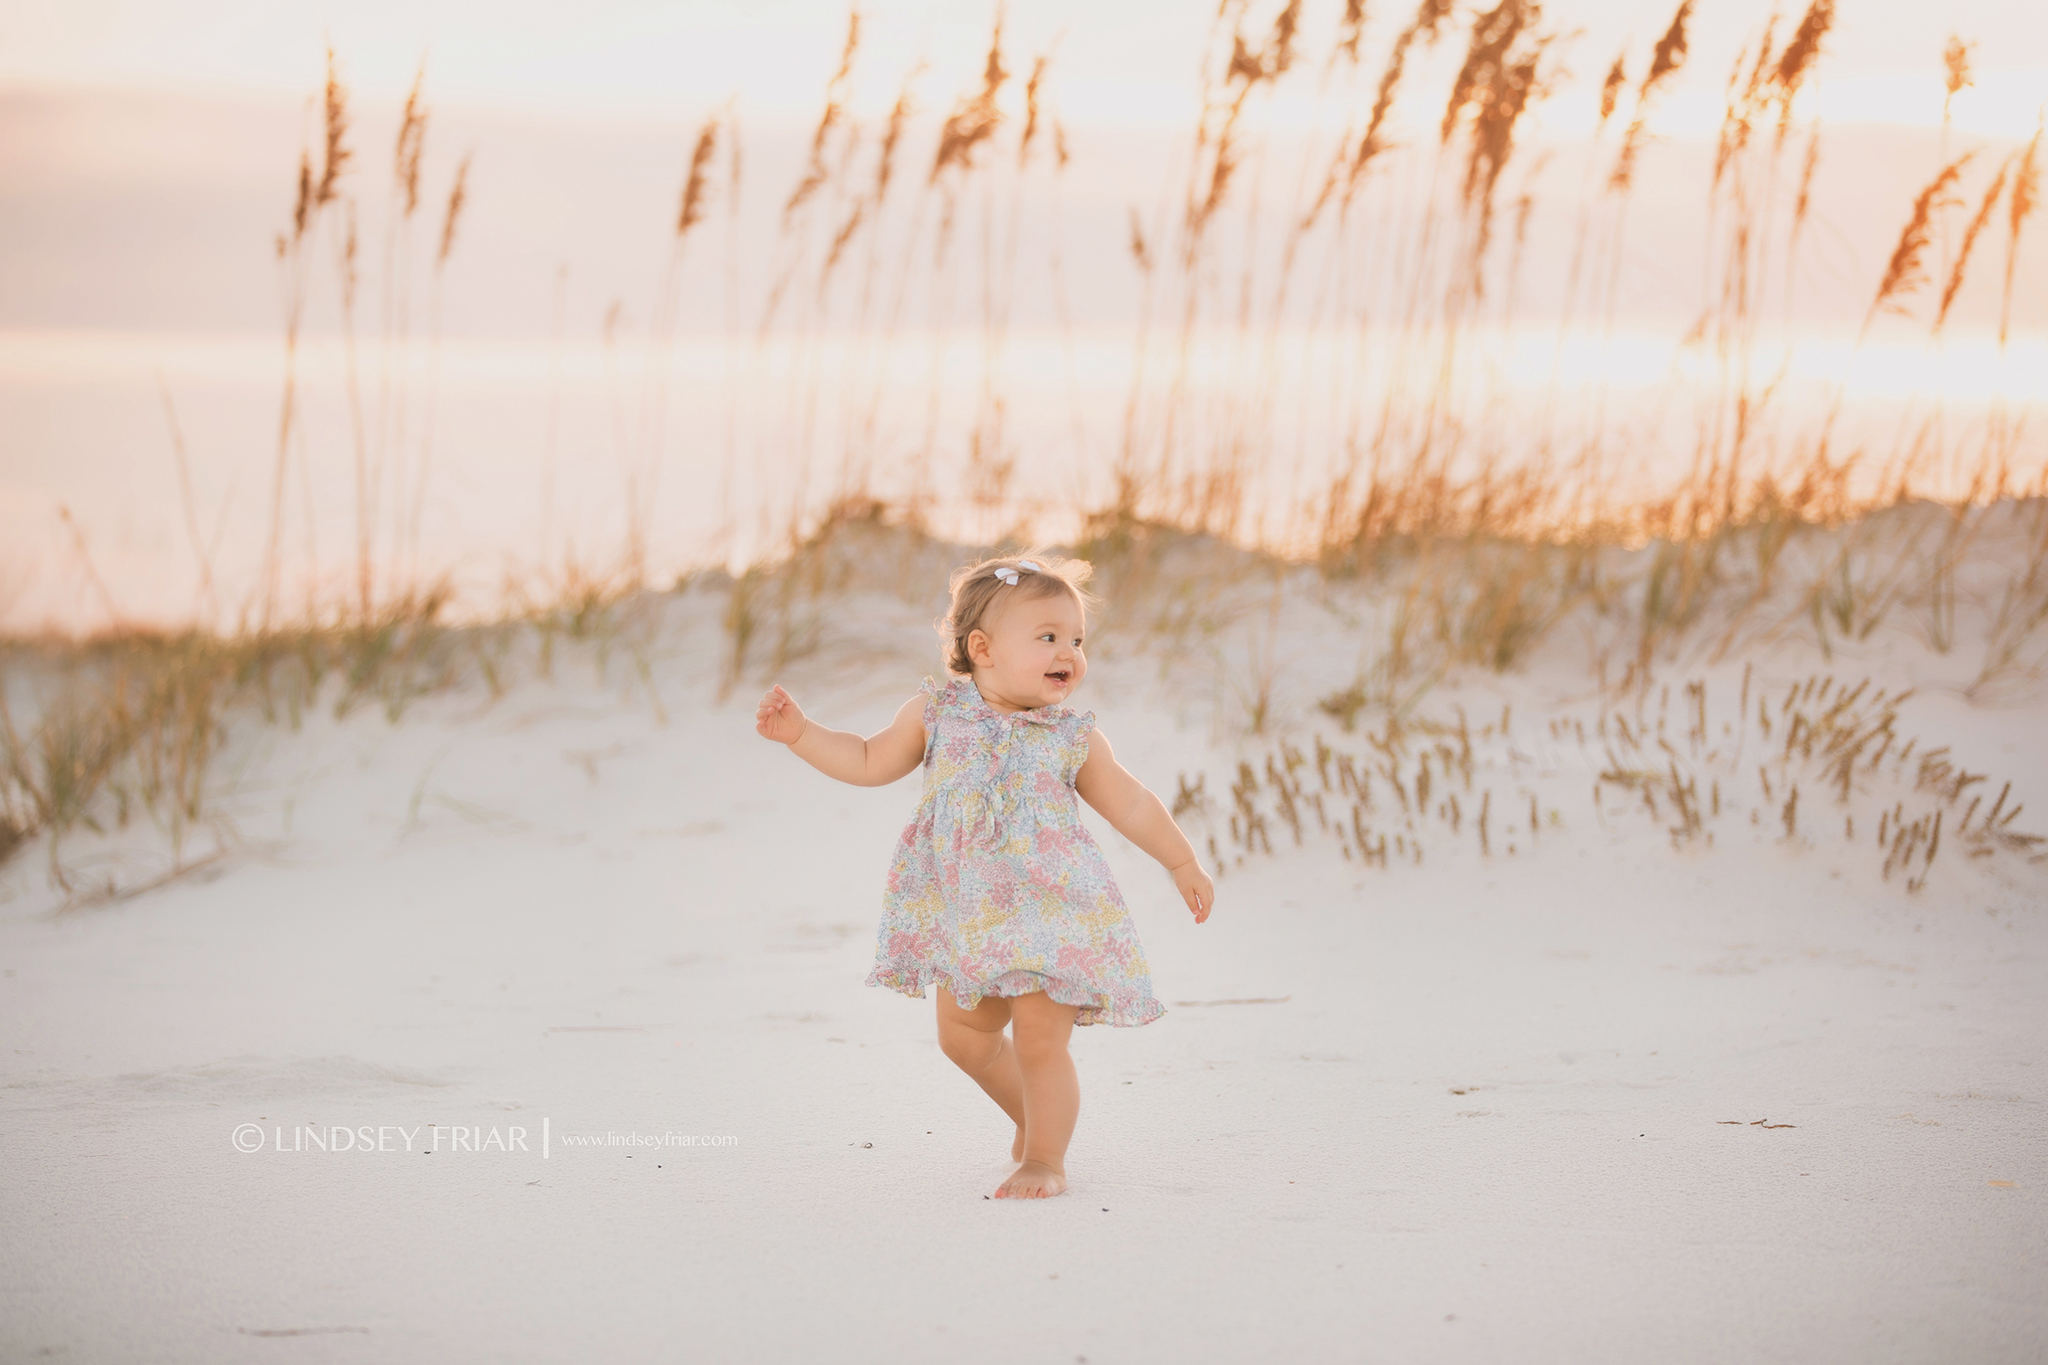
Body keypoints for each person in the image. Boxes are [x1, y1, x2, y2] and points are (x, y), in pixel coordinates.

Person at [754, 550, 1215, 1199]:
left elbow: (1132, 801)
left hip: (1053, 912)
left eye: (1077, 639)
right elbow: (865, 758)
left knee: (1038, 1035)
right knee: (964, 1036)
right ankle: (1032, 1114)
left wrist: (1181, 859)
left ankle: (1046, 1159)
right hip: (970, 918)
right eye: (1049, 636)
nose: (1071, 652)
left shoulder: (1070, 737)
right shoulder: (937, 712)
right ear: (983, 648)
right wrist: (802, 734)